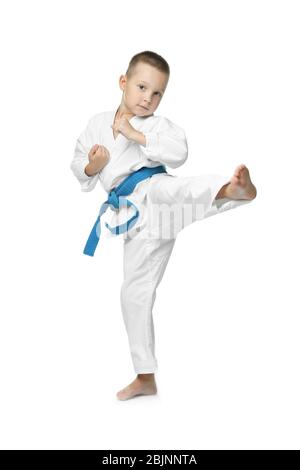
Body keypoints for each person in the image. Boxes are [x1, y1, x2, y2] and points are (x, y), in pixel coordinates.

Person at [70, 50, 257, 401]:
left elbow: (178, 152)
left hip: (152, 190)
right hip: (132, 221)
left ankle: (232, 189)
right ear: (123, 82)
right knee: (132, 294)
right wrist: (94, 165)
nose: (148, 98)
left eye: (157, 93)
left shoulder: (155, 125)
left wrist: (135, 135)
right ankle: (145, 376)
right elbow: (78, 163)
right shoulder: (96, 123)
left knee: (178, 191)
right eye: (142, 87)